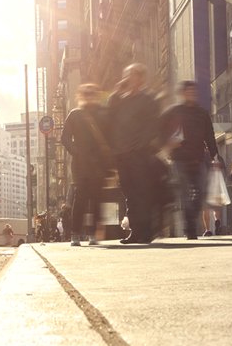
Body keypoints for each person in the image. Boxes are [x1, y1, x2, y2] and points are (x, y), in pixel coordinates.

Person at [107, 65, 160, 244]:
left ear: (140, 78)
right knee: (129, 194)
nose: (127, 79)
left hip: (139, 153)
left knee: (142, 193)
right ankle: (135, 232)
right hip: (122, 154)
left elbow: (154, 124)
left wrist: (141, 144)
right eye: (125, 75)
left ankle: (146, 232)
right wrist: (116, 93)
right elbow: (109, 116)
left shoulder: (147, 99)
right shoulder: (119, 100)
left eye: (131, 75)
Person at [161, 81, 219, 240]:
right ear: (182, 93)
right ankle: (191, 229)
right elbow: (157, 129)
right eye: (189, 91)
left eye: (194, 91)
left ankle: (190, 222)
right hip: (179, 160)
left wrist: (216, 157)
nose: (192, 94)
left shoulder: (202, 113)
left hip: (198, 159)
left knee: (200, 193)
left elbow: (210, 137)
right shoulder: (172, 112)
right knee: (185, 194)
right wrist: (167, 143)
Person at [61, 83, 110, 246]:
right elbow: (65, 137)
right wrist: (76, 151)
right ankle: (75, 234)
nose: (90, 96)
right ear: (81, 96)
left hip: (98, 165)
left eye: (93, 93)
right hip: (81, 165)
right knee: (80, 199)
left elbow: (110, 137)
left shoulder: (103, 114)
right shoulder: (75, 114)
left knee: (97, 200)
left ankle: (93, 235)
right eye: (86, 93)